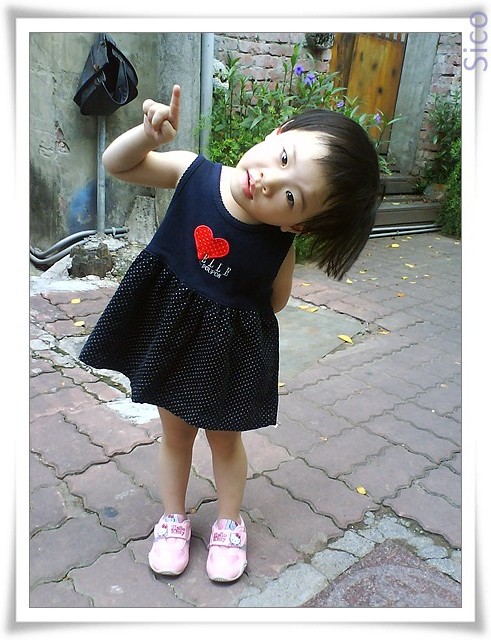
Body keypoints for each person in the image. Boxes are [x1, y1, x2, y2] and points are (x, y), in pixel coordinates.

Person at [79, 84, 381, 583]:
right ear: (278, 132)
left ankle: (228, 523)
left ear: (299, 227)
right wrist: (147, 135)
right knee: (176, 436)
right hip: (174, 340)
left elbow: (276, 300)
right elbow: (118, 164)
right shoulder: (192, 172)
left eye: (291, 197)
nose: (268, 180)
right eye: (283, 157)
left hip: (224, 354)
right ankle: (173, 519)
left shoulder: (280, 245)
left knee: (225, 441)